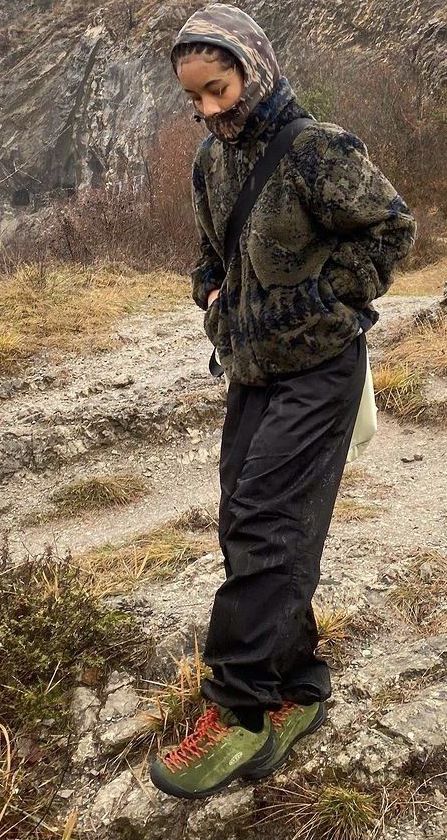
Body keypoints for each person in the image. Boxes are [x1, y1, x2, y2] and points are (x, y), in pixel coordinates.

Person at [150, 3, 416, 799]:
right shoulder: (209, 160)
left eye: (220, 89)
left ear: (254, 71)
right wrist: (209, 288)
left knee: (267, 519)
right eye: (195, 98)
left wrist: (325, 301)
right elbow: (210, 247)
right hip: (251, 370)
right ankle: (297, 688)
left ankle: (235, 708)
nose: (209, 110)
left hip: (322, 369)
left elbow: (389, 231)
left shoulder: (316, 149)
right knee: (249, 520)